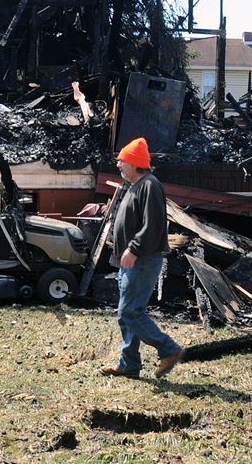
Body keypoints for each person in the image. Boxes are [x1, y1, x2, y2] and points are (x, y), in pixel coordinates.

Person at [100, 137, 184, 379]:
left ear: (135, 162)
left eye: (122, 160)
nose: (118, 165)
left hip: (142, 259)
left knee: (130, 311)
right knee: (126, 315)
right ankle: (129, 365)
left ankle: (169, 349)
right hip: (130, 261)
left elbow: (154, 225)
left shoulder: (149, 185)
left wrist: (134, 249)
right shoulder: (135, 185)